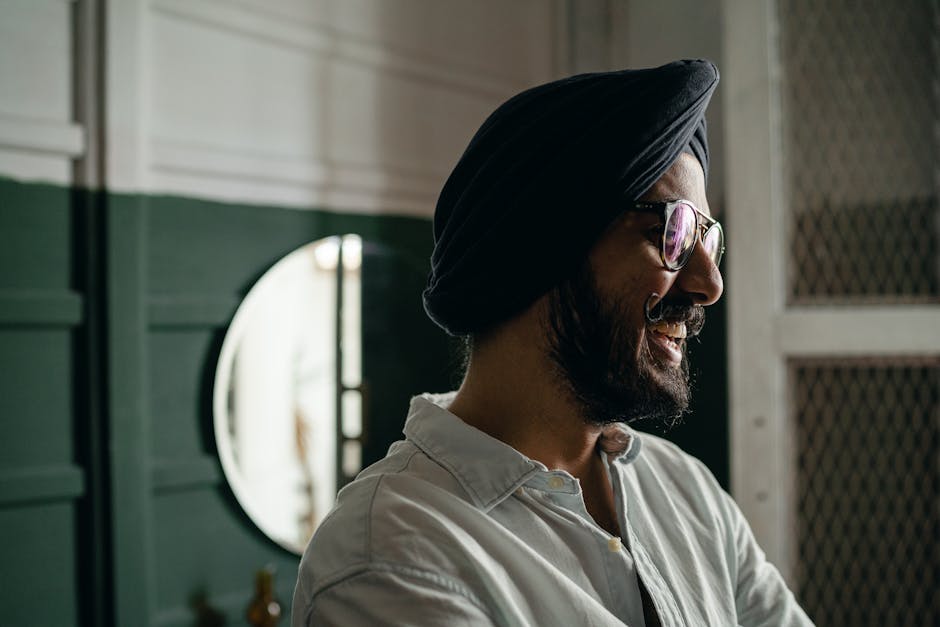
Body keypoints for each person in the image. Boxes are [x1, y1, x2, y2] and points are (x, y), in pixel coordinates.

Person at [292, 59, 813, 627]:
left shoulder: (685, 490)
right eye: (673, 233)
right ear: (542, 248)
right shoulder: (392, 557)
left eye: (708, 239)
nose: (710, 285)